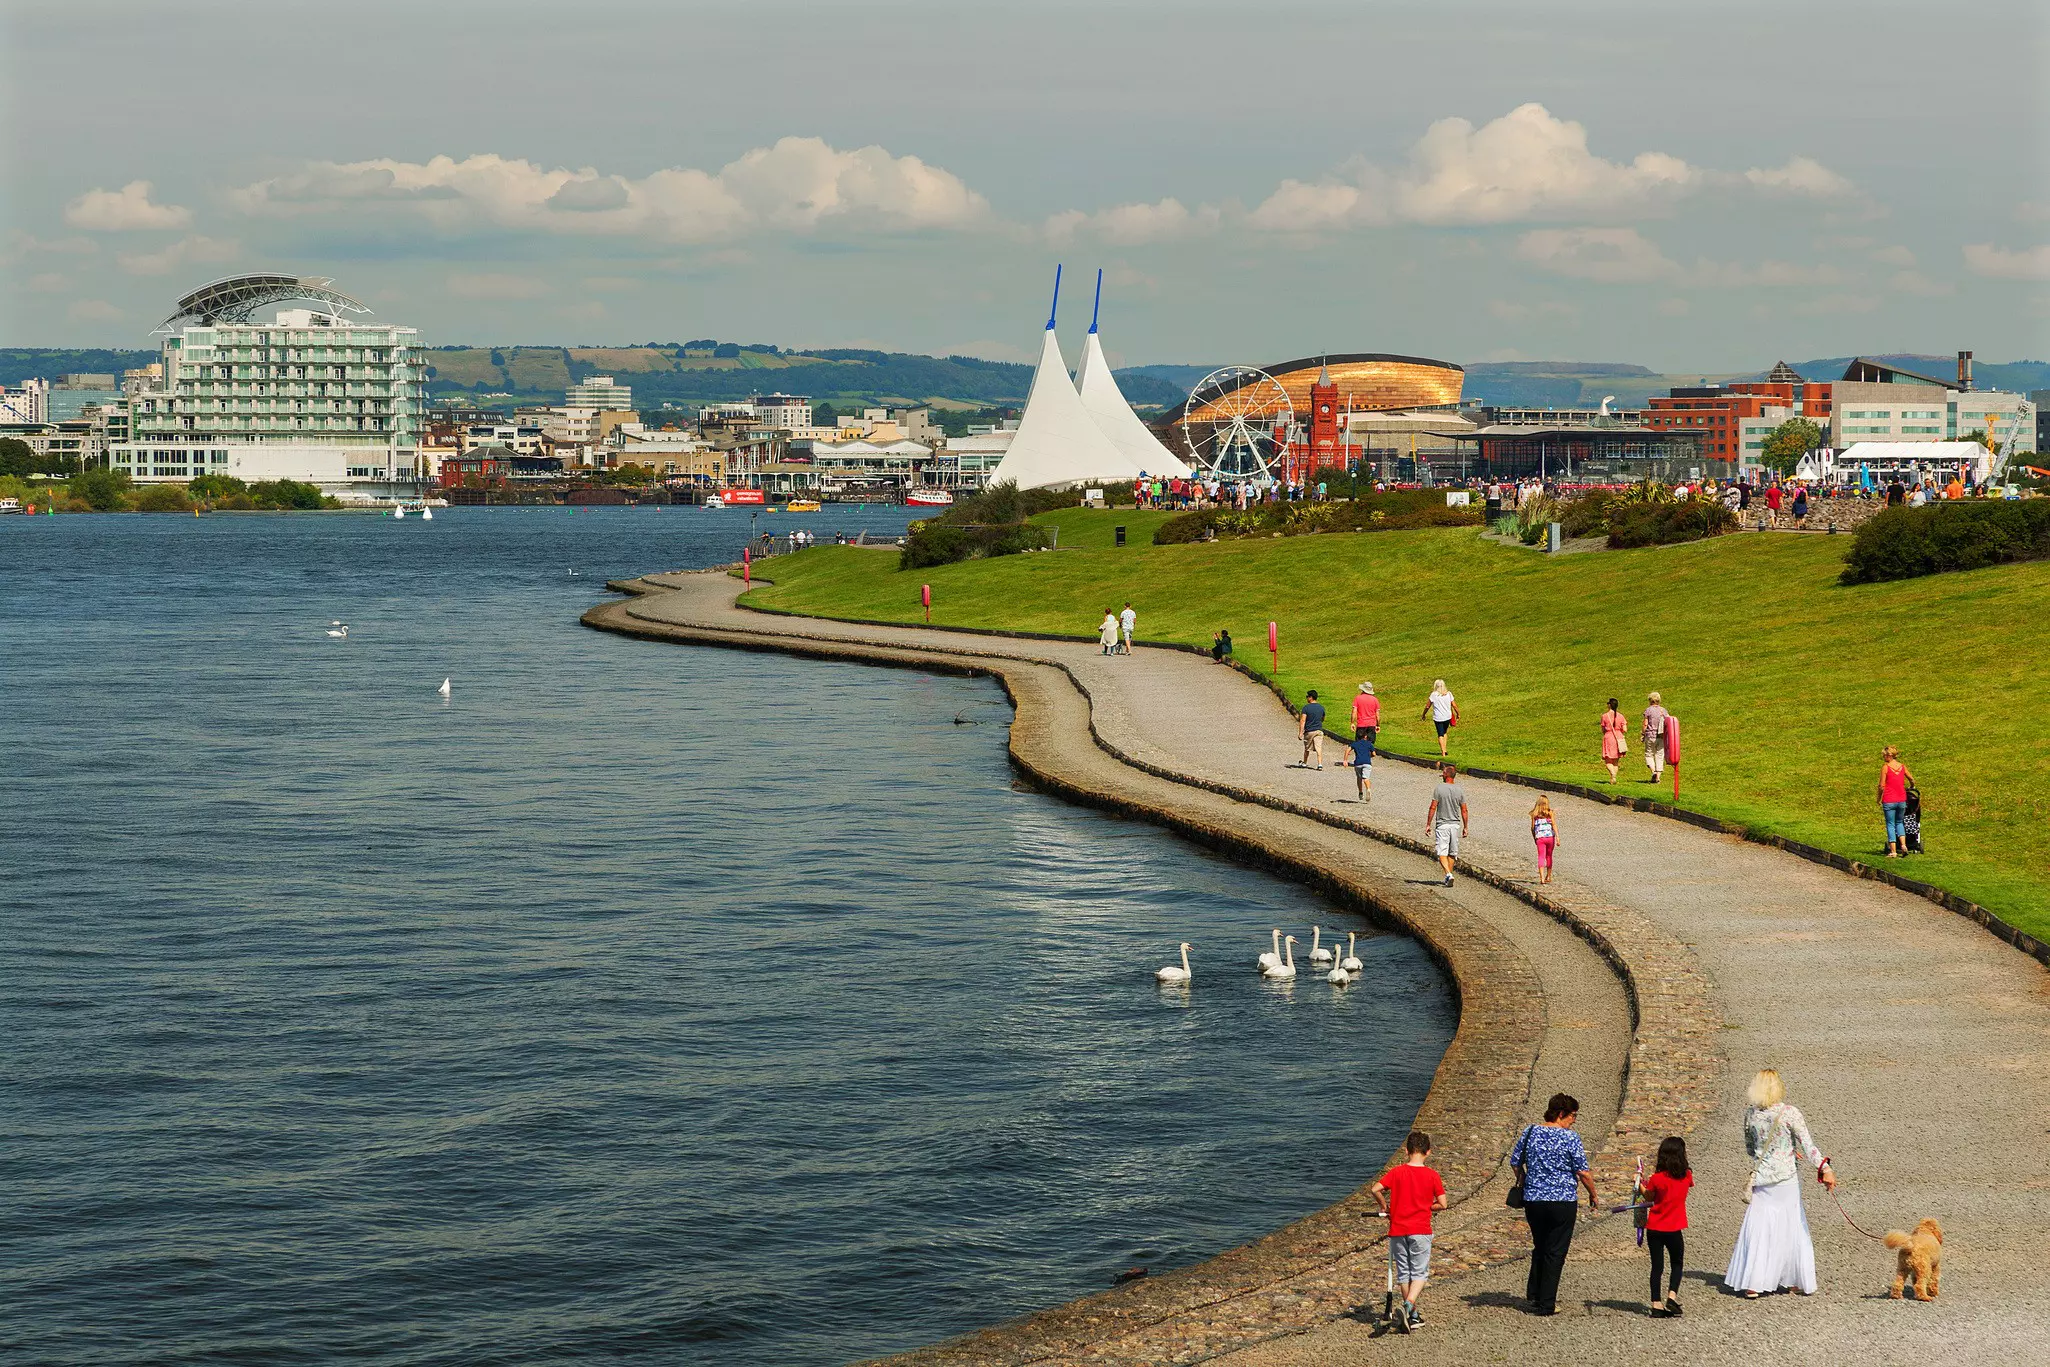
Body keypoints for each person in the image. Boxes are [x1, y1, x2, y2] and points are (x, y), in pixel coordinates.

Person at [1725, 1068, 1834, 1299]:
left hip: (1763, 1178)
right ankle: (1793, 1280)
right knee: (1791, 1226)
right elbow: (1808, 1145)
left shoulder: (1750, 1114)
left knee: (1760, 1228)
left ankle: (1754, 1283)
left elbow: (1749, 1147)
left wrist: (1773, 1150)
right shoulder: (1790, 1113)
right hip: (1786, 1179)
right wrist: (1824, 1167)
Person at [1510, 1093, 1600, 1316]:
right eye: (1573, 1115)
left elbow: (1515, 1162)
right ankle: (1547, 1303)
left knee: (1540, 1245)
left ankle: (1535, 1294)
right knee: (1556, 1251)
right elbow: (1582, 1172)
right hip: (1562, 1201)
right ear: (1561, 1114)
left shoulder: (1530, 1132)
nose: (1574, 1120)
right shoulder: (1570, 1138)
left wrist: (1524, 1180)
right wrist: (1593, 1194)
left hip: (1534, 1200)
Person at [1372, 1131, 1448, 1333]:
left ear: (1406, 1151)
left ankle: (1411, 1315)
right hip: (1420, 1229)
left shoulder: (1396, 1172)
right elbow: (1443, 1204)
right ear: (1428, 1152)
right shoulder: (1432, 1175)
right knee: (1420, 1272)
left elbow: (1375, 1189)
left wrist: (1384, 1207)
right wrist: (1427, 1206)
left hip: (1397, 1229)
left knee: (1404, 1273)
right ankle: (1408, 1305)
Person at [1640, 1136, 1694, 1317]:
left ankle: (1656, 1304)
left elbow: (1648, 1197)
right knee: (1677, 1263)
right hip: (1674, 1228)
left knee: (1657, 1267)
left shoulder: (1657, 1178)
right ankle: (1672, 1295)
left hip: (1655, 1227)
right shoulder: (1687, 1175)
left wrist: (1639, 1183)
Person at [1424, 763, 1468, 887]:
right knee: (1452, 852)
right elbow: (1464, 810)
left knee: (1442, 851)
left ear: (1445, 775)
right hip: (1455, 825)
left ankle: (1448, 874)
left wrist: (1428, 824)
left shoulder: (1439, 788)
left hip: (1442, 825)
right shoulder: (1459, 790)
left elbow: (1433, 807)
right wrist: (1465, 827)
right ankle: (1448, 876)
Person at [1878, 745, 1915, 858]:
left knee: (1890, 824)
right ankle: (1903, 845)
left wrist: (1878, 798)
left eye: (1884, 755)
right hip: (1901, 799)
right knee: (1899, 822)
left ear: (1889, 755)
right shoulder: (1902, 766)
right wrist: (1911, 786)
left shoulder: (1886, 767)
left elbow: (1881, 786)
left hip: (1889, 800)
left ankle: (1893, 851)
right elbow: (1911, 779)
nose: (1883, 757)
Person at [1421, 679, 1457, 757]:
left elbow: (1427, 706)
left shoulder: (1434, 695)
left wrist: (1423, 714)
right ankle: (1445, 749)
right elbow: (1454, 705)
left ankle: (1443, 752)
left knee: (1440, 734)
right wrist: (1458, 714)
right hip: (1447, 716)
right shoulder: (1448, 694)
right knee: (1444, 732)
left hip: (1438, 717)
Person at [1530, 795, 1559, 885]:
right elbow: (1553, 825)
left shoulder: (1534, 814)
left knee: (1541, 857)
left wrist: (1535, 837)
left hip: (1540, 838)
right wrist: (1558, 837)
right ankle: (1549, 875)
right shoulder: (1550, 813)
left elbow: (1532, 828)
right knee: (1549, 856)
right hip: (1550, 837)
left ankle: (1542, 878)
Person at [1641, 692, 1669, 783]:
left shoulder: (1648, 710)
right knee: (1659, 755)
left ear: (1650, 700)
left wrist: (1643, 733)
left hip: (1650, 735)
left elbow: (1645, 723)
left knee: (1649, 754)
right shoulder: (1663, 711)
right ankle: (1658, 776)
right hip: (1661, 736)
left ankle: (1653, 772)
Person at [1599, 697, 1629, 783]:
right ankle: (1613, 778)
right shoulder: (1621, 716)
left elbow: (1603, 730)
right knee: (1616, 761)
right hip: (1618, 737)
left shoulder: (1605, 716)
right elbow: (1625, 729)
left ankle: (1613, 775)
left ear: (1609, 705)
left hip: (1609, 737)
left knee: (1608, 760)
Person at [1299, 689, 1326, 769]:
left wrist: (1300, 732)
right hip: (1319, 730)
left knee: (1307, 748)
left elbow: (1303, 720)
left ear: (1311, 697)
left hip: (1309, 731)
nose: (1306, 698)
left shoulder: (1306, 708)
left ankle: (1304, 762)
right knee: (1319, 747)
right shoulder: (1321, 707)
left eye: (1307, 696)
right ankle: (1320, 764)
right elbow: (1323, 718)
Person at [1349, 726, 1375, 801]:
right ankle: (1368, 789)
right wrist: (1369, 756)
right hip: (1367, 763)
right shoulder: (1369, 744)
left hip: (1358, 764)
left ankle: (1360, 792)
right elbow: (1374, 754)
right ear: (1365, 736)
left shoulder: (1355, 744)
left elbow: (1348, 750)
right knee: (1366, 778)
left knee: (1359, 778)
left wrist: (1345, 760)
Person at [1352, 682, 1380, 752]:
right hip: (1371, 724)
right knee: (1370, 744)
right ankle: (1367, 759)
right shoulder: (1375, 700)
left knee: (1359, 743)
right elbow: (1377, 714)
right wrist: (1378, 725)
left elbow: (1354, 712)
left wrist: (1352, 722)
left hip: (1361, 724)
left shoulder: (1358, 698)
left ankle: (1360, 758)